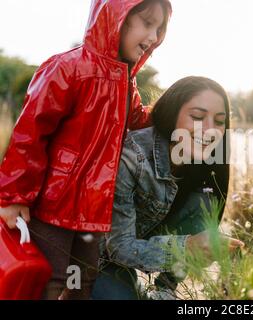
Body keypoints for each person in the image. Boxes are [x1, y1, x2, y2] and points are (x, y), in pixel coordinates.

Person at [0, 0, 173, 300]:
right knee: (51, 280)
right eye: (147, 23)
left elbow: (137, 121)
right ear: (115, 17)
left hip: (91, 212)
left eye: (160, 29)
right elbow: (30, 133)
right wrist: (13, 196)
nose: (154, 36)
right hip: (53, 207)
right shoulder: (69, 67)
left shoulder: (125, 83)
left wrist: (170, 110)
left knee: (81, 279)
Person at [91, 76, 244, 300]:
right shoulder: (131, 157)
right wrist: (187, 247)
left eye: (219, 121)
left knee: (203, 200)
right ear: (173, 114)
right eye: (198, 117)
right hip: (98, 256)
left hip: (140, 243)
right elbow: (118, 247)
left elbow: (198, 221)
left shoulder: (204, 162)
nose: (211, 130)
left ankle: (164, 289)